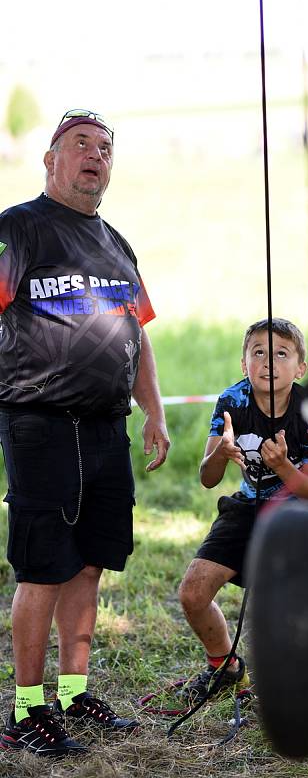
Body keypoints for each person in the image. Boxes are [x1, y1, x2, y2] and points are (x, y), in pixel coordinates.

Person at [0, 109, 170, 757]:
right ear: (50, 159)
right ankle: (26, 710)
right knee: (43, 569)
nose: (94, 155)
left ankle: (73, 694)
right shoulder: (18, 229)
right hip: (39, 424)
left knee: (89, 565)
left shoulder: (116, 244)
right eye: (80, 145)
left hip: (106, 428)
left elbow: (138, 333)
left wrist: (152, 411)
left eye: (105, 147)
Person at [178, 317, 308, 701]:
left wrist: (283, 466)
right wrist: (222, 451)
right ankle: (225, 668)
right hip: (250, 503)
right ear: (243, 362)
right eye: (259, 352)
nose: (268, 362)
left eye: (281, 354)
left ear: (300, 367)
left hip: (306, 507)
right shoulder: (231, 402)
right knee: (192, 594)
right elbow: (207, 477)